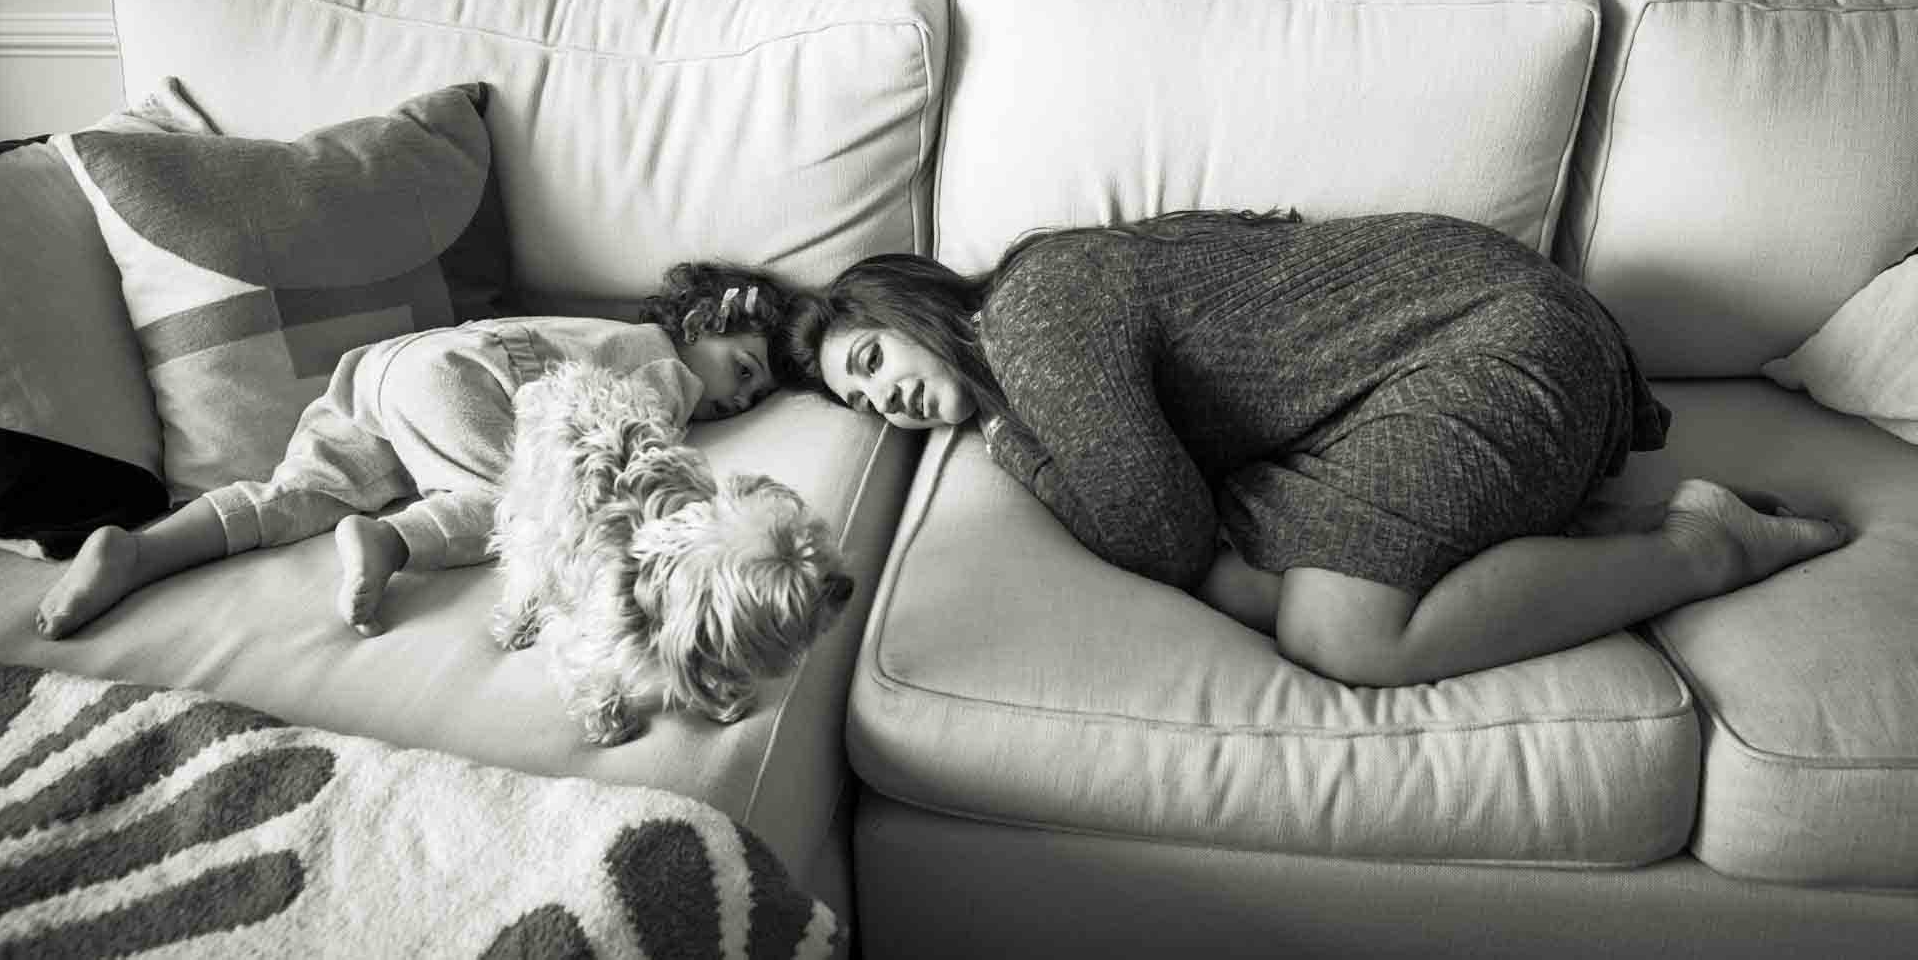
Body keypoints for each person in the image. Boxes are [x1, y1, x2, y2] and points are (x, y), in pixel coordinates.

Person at [778, 210, 1847, 687]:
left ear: (910, 303)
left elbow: (1156, 536)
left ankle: (1706, 548)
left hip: (1490, 332)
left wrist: (1012, 444)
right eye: (861, 405)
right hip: (1407, 371)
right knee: (1262, 583)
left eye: (869, 361)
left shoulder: (1029, 317)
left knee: (1342, 636)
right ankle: (1584, 531)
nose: (889, 406)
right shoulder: (1042, 307)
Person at [37, 262, 795, 641]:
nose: (739, 399)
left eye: (756, 399)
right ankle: (390, 539)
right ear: (703, 320)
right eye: (744, 370)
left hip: (393, 367)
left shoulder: (608, 332)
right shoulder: (662, 371)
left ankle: (141, 551)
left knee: (298, 492)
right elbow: (615, 469)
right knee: (518, 505)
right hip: (465, 382)